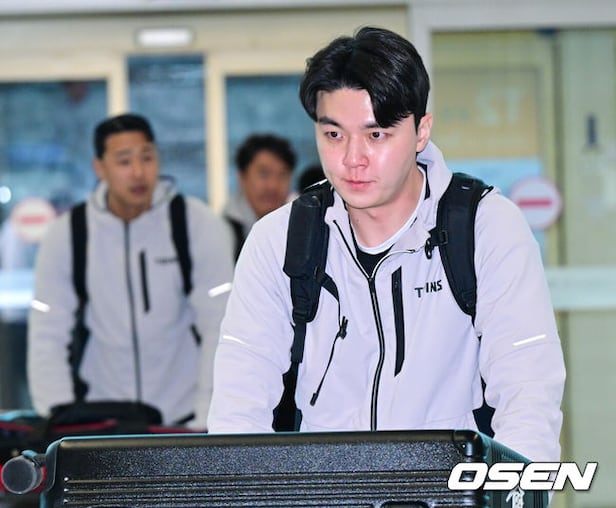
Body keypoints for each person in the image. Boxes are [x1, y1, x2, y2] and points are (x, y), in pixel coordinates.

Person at [207, 26, 565, 466]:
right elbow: (239, 404)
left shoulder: (485, 227)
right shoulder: (279, 240)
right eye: (333, 135)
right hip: (322, 490)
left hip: (449, 489)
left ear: (421, 131)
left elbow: (529, 392)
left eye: (376, 135)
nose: (352, 158)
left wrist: (511, 492)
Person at [27, 113, 233, 428]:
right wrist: (59, 413)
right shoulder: (68, 233)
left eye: (147, 158)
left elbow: (219, 325)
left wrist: (207, 416)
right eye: (124, 161)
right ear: (100, 167)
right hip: (100, 420)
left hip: (184, 419)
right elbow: (48, 329)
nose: (138, 172)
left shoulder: (196, 223)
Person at [222, 133, 296, 260]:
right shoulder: (222, 234)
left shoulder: (302, 228)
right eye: (264, 173)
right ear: (242, 177)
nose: (273, 186)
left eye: (282, 175)